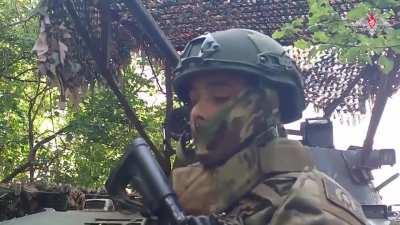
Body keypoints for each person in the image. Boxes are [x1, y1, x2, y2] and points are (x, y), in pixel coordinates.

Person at [171, 29, 367, 225]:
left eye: (220, 96)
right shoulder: (191, 197)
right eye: (193, 100)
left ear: (269, 103)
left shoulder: (309, 208)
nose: (197, 112)